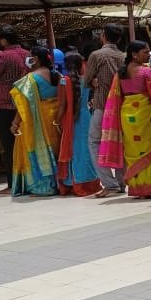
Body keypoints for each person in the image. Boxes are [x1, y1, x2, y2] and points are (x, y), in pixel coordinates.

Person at [99, 41, 151, 199]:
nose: (148, 55)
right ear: (134, 54)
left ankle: (136, 188)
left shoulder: (121, 73)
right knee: (148, 147)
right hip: (144, 114)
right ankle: (150, 187)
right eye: (145, 52)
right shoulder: (146, 72)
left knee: (132, 150)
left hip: (126, 114)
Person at [8, 46, 62, 197]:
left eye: (31, 57)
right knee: (55, 149)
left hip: (36, 121)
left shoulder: (31, 78)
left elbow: (23, 105)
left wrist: (15, 123)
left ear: (36, 59)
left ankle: (42, 186)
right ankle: (59, 183)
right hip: (54, 119)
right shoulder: (57, 75)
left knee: (36, 150)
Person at [0, 25, 30, 194]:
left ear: (3, 40)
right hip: (26, 104)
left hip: (7, 105)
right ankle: (28, 180)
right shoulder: (27, 54)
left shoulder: (1, 56)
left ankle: (13, 184)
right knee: (25, 144)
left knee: (9, 147)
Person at [83, 24, 126, 198]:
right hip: (121, 104)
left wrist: (92, 80)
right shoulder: (123, 56)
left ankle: (109, 183)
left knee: (95, 142)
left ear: (103, 36)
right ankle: (122, 181)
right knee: (120, 142)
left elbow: (86, 80)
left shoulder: (97, 55)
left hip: (102, 104)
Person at [56, 53, 101, 197]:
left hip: (71, 120)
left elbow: (62, 106)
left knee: (73, 150)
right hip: (86, 117)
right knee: (86, 151)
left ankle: (72, 182)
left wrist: (56, 121)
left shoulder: (64, 81)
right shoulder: (86, 80)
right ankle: (89, 182)